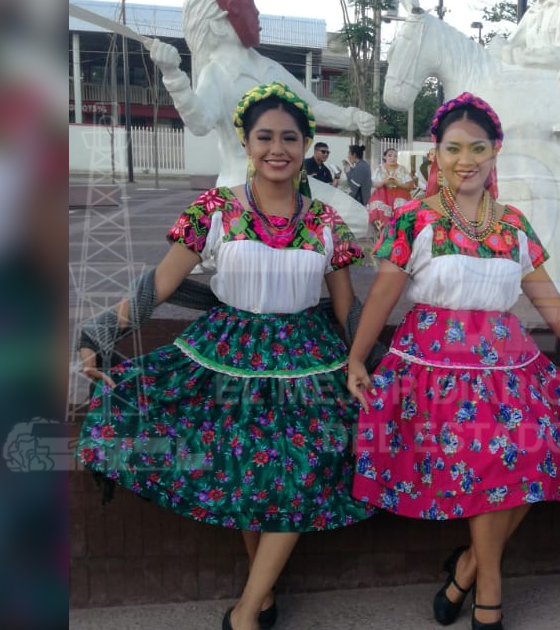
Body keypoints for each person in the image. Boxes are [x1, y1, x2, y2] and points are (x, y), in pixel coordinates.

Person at [74, 82, 374, 630]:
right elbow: (159, 285)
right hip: (227, 356)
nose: (277, 148)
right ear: (246, 141)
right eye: (265, 137)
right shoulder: (213, 210)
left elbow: (346, 308)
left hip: (309, 361)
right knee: (245, 472)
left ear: (306, 144)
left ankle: (244, 611)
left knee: (301, 473)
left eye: (290, 137)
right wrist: (96, 335)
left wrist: (370, 362)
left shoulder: (327, 223)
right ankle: (261, 595)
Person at [347, 93, 560, 630]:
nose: (466, 159)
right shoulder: (415, 220)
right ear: (435, 155)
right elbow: (384, 297)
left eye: (478, 147)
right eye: (453, 148)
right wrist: (357, 358)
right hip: (437, 370)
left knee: (546, 444)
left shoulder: (512, 224)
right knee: (491, 456)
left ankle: (466, 569)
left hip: (508, 366)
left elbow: (545, 297)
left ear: (495, 150)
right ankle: (489, 587)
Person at [147, 0, 373, 229]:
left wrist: (350, 117)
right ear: (218, 24)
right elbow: (200, 123)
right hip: (242, 182)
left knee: (357, 219)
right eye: (246, 5)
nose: (256, 12)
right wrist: (173, 76)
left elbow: (311, 107)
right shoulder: (215, 73)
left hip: (287, 178)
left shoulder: (270, 68)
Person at [501, 0, 560, 135]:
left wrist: (526, 57)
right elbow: (510, 43)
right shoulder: (533, 11)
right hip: (531, 70)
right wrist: (503, 49)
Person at [366, 147, 415, 232]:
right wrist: (384, 182)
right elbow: (375, 184)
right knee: (378, 207)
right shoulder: (379, 168)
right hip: (383, 193)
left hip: (399, 193)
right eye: (390, 155)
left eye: (395, 156)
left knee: (401, 208)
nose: (393, 158)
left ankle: (398, 231)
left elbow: (409, 185)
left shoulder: (402, 169)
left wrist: (398, 184)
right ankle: (382, 231)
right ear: (385, 157)